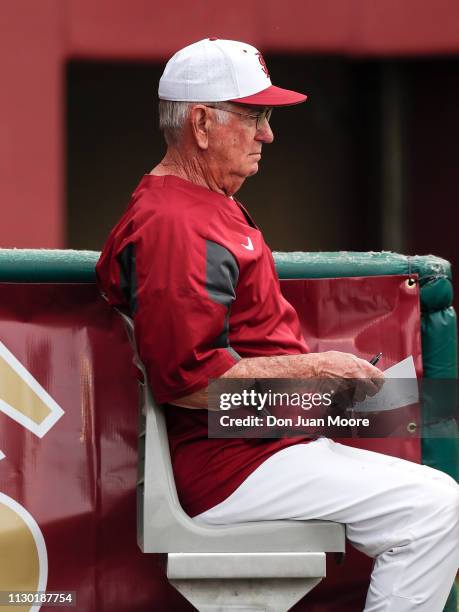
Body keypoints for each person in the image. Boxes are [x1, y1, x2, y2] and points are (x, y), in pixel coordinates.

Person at [96, 38, 459, 611]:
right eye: (254, 115)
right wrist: (314, 368)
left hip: (258, 444)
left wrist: (326, 386)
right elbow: (189, 383)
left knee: (431, 433)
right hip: (232, 464)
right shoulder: (174, 223)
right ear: (201, 124)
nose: (268, 134)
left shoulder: (197, 204)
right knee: (437, 507)